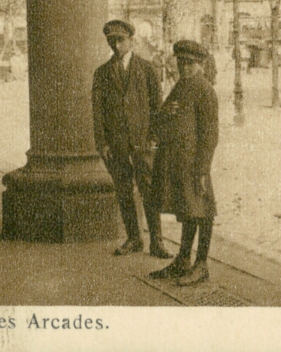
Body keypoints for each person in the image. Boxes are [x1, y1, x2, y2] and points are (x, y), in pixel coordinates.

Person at [92, 19, 171, 259]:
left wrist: (154, 139)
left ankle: (156, 242)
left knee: (149, 191)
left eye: (120, 40)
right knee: (124, 191)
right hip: (116, 144)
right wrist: (102, 143)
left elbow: (157, 108)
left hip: (143, 142)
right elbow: (98, 112)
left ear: (131, 40)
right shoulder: (102, 73)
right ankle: (134, 239)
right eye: (112, 41)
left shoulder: (147, 69)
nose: (116, 46)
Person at [150, 39, 219, 287]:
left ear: (200, 64)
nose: (185, 68)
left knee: (203, 211)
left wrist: (202, 169)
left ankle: (201, 265)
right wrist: (163, 115)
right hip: (177, 162)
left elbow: (210, 135)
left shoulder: (204, 90)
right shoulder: (180, 86)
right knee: (189, 210)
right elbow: (158, 121)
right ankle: (182, 259)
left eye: (190, 64)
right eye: (181, 63)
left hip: (194, 165)